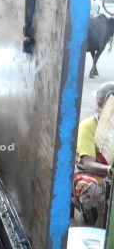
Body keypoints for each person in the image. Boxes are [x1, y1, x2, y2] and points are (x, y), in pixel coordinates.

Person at [73, 82, 114, 227]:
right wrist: (109, 170)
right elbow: (88, 164)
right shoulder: (88, 126)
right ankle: (92, 223)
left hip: (109, 176)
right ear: (100, 105)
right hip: (87, 175)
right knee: (95, 188)